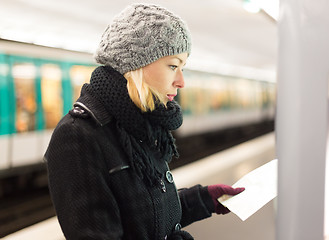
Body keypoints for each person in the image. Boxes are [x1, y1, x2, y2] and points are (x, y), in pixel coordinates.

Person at [45, 3, 245, 240]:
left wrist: (203, 199)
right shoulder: (78, 136)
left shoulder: (139, 125)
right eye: (173, 66)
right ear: (135, 65)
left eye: (182, 68)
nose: (181, 81)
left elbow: (144, 214)